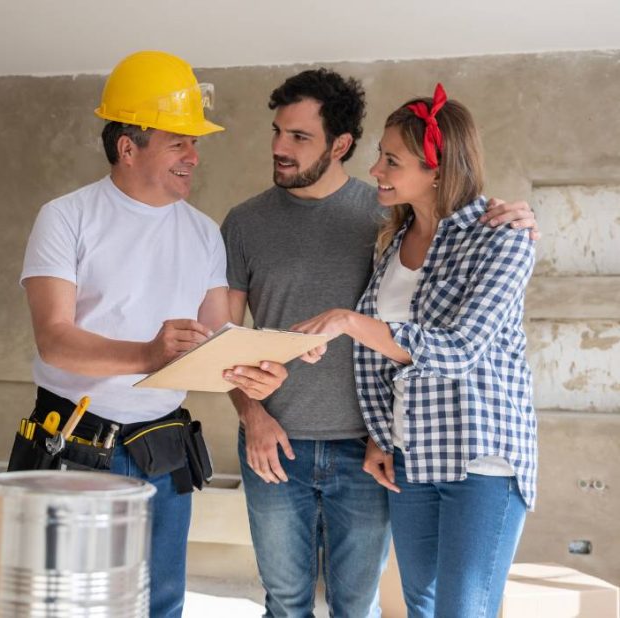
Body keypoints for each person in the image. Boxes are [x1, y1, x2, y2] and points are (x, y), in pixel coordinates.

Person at [221, 69, 538, 617]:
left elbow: (455, 347)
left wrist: (347, 327)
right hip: (387, 455)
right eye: (278, 131)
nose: (377, 170)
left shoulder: (454, 227)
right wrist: (376, 433)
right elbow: (370, 363)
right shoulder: (390, 239)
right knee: (397, 603)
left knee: (425, 607)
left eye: (391, 159)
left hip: (465, 454)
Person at [19, 50, 287, 618]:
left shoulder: (202, 234)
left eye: (195, 144)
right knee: (70, 605)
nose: (194, 157)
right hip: (75, 443)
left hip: (161, 448)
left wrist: (258, 367)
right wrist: (146, 353)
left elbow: (218, 339)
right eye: (178, 143)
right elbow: (55, 339)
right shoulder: (67, 218)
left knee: (160, 604)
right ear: (127, 146)